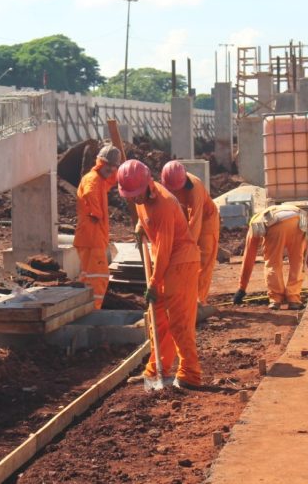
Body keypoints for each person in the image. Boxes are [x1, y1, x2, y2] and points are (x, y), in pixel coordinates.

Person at [117, 159, 202, 389]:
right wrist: (140, 227)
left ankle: (190, 374)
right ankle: (156, 371)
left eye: (136, 193)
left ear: (148, 184)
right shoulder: (140, 198)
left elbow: (165, 248)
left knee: (179, 321)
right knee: (158, 320)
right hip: (165, 262)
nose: (134, 199)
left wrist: (154, 282)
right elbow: (152, 232)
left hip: (181, 262)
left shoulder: (164, 203)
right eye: (130, 195)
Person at [232, 204, 308, 310]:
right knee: (297, 261)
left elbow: (249, 257)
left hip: (276, 226)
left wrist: (242, 288)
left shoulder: (255, 223)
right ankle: (293, 299)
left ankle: (276, 299)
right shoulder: (268, 215)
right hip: (298, 219)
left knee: (272, 263)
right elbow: (306, 248)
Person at [160, 160, 221, 306]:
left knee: (204, 261)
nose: (174, 192)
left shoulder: (195, 189)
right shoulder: (168, 181)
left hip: (206, 220)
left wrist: (187, 247)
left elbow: (196, 221)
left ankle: (199, 300)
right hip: (186, 217)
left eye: (176, 189)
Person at [73, 144, 121, 309]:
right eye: (109, 165)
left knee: (88, 277)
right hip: (92, 238)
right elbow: (89, 193)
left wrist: (122, 173)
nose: (111, 169)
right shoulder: (93, 179)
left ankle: (85, 309)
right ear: (101, 163)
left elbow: (110, 181)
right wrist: (96, 213)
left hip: (90, 237)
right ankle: (94, 311)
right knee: (98, 277)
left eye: (114, 167)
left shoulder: (99, 179)